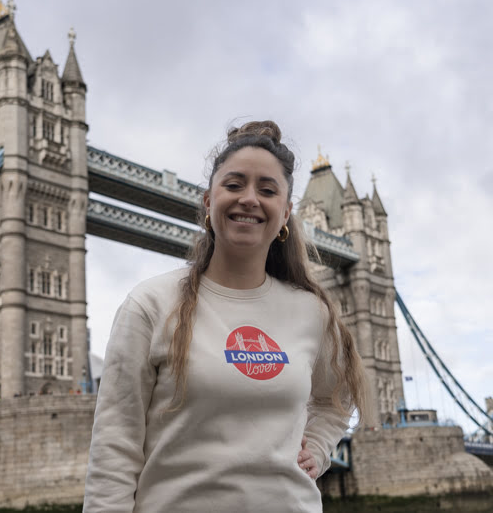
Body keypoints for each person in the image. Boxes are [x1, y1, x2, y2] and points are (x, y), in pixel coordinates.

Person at [84, 120, 366, 513]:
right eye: (234, 185)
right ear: (207, 202)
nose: (249, 199)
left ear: (285, 213)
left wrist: (317, 445)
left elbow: (339, 397)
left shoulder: (311, 311)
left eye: (267, 190)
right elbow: (114, 448)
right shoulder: (149, 304)